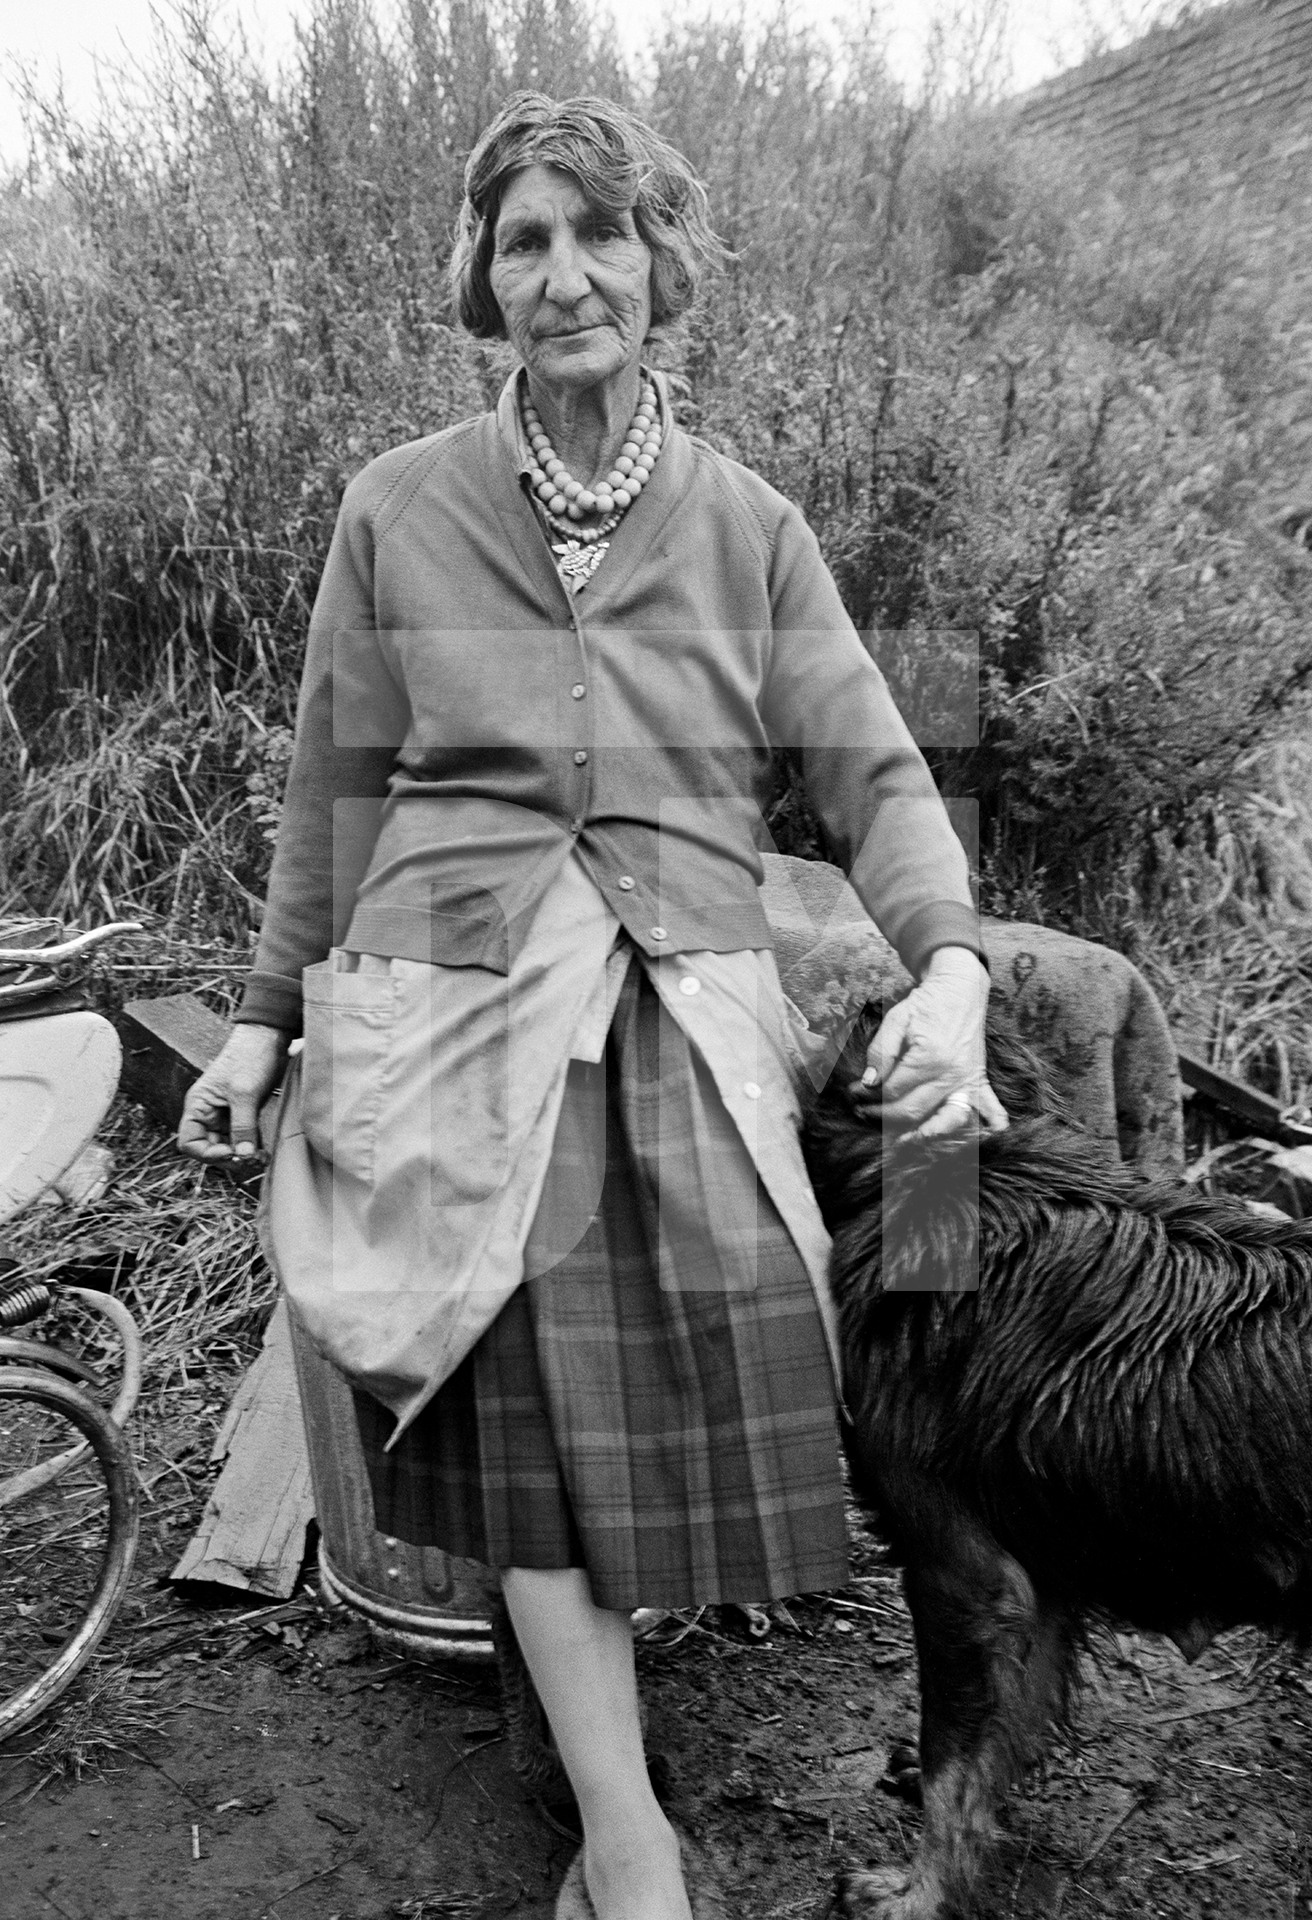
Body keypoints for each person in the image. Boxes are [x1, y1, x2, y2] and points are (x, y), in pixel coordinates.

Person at [179, 92, 1007, 1920]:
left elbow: (875, 768)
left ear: (662, 262)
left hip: (683, 994)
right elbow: (335, 787)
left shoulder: (752, 527)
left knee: (718, 1329)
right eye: (524, 242)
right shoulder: (394, 507)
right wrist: (260, 1020)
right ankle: (632, 1843)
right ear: (483, 277)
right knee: (532, 1379)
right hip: (458, 1001)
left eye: (599, 235)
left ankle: (609, 1740)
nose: (564, 278)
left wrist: (950, 971)